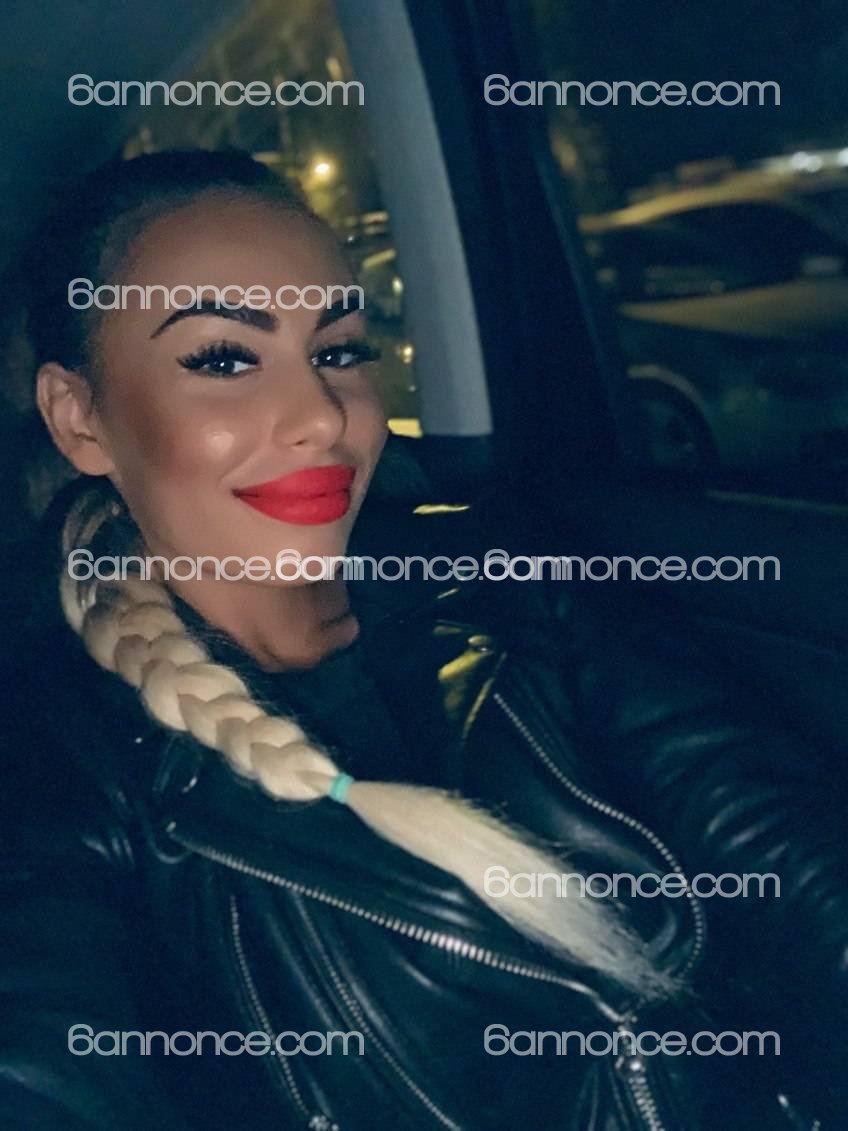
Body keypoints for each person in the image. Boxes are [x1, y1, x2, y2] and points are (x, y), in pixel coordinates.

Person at [0, 149, 843, 1130]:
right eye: (224, 359)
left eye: (338, 351)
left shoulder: (514, 586)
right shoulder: (58, 768)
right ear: (81, 420)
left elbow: (781, 852)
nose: (321, 417)